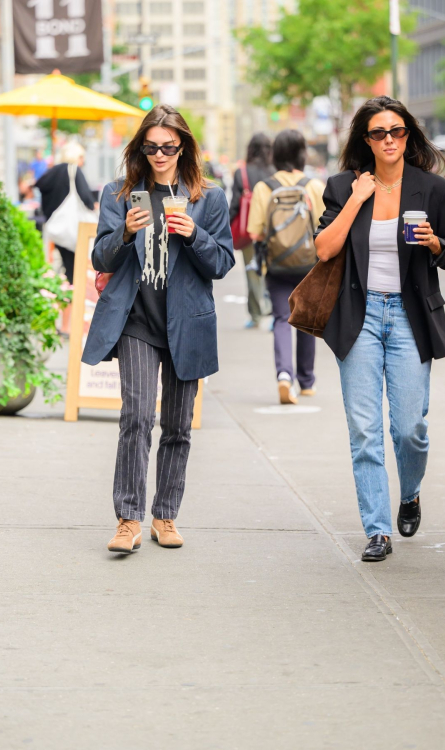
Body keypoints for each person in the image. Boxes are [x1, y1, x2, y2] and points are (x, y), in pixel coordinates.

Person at [314, 96, 445, 562]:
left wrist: (436, 242)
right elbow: (323, 249)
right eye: (378, 133)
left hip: (408, 315)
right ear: (366, 139)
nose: (388, 140)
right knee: (364, 430)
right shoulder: (344, 186)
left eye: (396, 131)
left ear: (408, 135)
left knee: (409, 429)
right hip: (358, 317)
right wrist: (357, 200)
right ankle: (377, 528)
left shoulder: (432, 189)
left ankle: (410, 491)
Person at [81, 104, 235, 554]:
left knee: (177, 426)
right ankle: (128, 519)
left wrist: (194, 235)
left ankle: (165, 515)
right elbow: (100, 258)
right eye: (151, 147)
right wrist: (124, 234)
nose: (161, 154)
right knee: (137, 416)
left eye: (169, 146)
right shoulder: (120, 193)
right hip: (137, 322)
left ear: (183, 146)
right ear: (141, 149)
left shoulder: (209, 198)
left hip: (188, 324)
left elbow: (222, 263)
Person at [248, 129, 325, 404]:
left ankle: (284, 376)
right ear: (302, 153)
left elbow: (254, 232)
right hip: (308, 266)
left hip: (276, 265)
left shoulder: (264, 187)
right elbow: (323, 228)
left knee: (282, 319)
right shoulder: (313, 186)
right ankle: (307, 381)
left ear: (275, 155)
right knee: (306, 321)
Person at [230, 133, 274, 328]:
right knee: (271, 271)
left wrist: (225, 227)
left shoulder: (242, 172)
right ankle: (274, 312)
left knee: (251, 272)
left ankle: (256, 315)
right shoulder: (275, 171)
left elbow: (234, 205)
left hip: (248, 231)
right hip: (272, 230)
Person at [36, 142, 95, 285]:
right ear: (76, 156)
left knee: (67, 264)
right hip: (73, 229)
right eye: (81, 157)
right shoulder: (73, 170)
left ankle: (68, 294)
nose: (83, 161)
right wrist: (94, 205)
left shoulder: (50, 172)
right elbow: (86, 199)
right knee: (78, 267)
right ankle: (75, 299)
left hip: (56, 228)